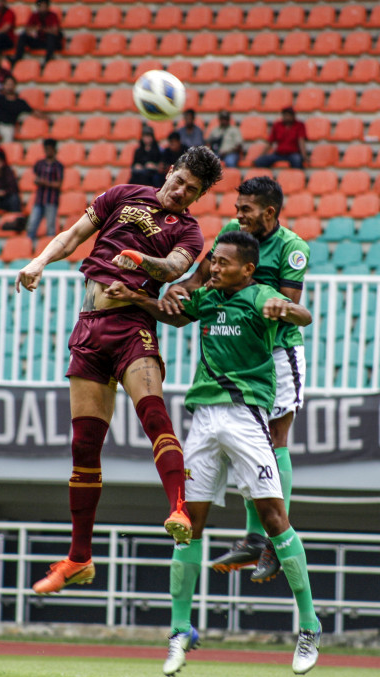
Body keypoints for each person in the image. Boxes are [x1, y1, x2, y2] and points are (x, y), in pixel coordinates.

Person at [104, 230, 321, 677]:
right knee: (187, 526)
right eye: (213, 261)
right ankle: (179, 632)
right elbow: (177, 315)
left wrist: (288, 308)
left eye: (221, 263)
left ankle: (309, 627)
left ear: (246, 268)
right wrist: (135, 297)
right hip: (203, 421)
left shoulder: (261, 295)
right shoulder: (210, 298)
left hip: (247, 420)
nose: (213, 267)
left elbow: (304, 315)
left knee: (276, 520)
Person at [15, 146, 223, 596]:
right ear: (169, 172)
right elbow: (72, 235)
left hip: (132, 327)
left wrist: (142, 261)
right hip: (88, 328)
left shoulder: (188, 231)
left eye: (191, 190)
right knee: (83, 447)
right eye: (179, 179)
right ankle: (79, 559)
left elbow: (172, 268)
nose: (180, 191)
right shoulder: (122, 195)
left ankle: (180, 510)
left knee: (154, 416)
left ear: (197, 197)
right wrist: (38, 262)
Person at [161, 176, 309, 583]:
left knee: (275, 438)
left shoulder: (293, 248)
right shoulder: (231, 237)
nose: (237, 215)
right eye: (237, 207)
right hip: (239, 354)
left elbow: (285, 308)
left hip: (277, 352)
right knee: (257, 443)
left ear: (270, 212)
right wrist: (179, 290)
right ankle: (254, 540)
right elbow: (199, 280)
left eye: (245, 210)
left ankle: (268, 540)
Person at [0, 75, 49, 143]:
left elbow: (32, 112)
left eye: (11, 84)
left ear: (15, 86)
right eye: (7, 84)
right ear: (4, 86)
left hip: (6, 126)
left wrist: (46, 118)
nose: (9, 87)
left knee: (8, 132)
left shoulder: (20, 102)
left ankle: (6, 150)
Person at [27, 138, 63, 237]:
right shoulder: (40, 164)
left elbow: (59, 184)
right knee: (31, 226)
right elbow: (35, 177)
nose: (48, 151)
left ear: (54, 150)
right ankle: (30, 246)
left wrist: (44, 182)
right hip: (39, 199)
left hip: (51, 201)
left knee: (50, 229)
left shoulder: (58, 166)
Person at [13, 0, 62, 66]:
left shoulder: (53, 16)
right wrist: (34, 30)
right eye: (41, 6)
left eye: (44, 6)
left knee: (51, 37)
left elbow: (55, 31)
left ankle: (47, 60)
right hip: (39, 40)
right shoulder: (34, 15)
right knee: (23, 36)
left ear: (48, 7)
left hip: (50, 43)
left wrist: (42, 29)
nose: (42, 8)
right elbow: (27, 29)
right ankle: (17, 58)